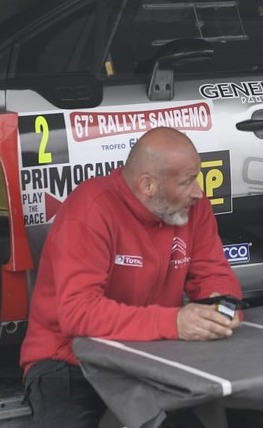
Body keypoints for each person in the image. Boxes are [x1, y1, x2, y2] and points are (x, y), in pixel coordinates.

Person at [20, 127, 243, 427]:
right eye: (187, 181)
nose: (198, 192)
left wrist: (223, 307)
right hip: (68, 359)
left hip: (153, 355)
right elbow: (77, 313)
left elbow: (214, 273)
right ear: (147, 185)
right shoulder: (90, 210)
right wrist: (174, 323)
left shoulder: (193, 207)